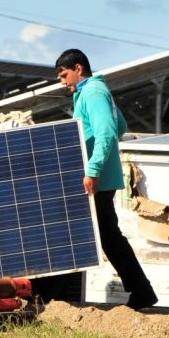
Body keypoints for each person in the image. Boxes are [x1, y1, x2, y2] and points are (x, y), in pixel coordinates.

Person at [55, 48, 158, 310]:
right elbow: (120, 126)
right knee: (105, 235)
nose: (62, 81)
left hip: (97, 179)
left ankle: (142, 291)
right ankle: (141, 291)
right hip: (100, 177)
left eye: (64, 75)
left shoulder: (93, 93)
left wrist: (93, 169)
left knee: (106, 235)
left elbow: (108, 133)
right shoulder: (94, 91)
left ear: (79, 69)